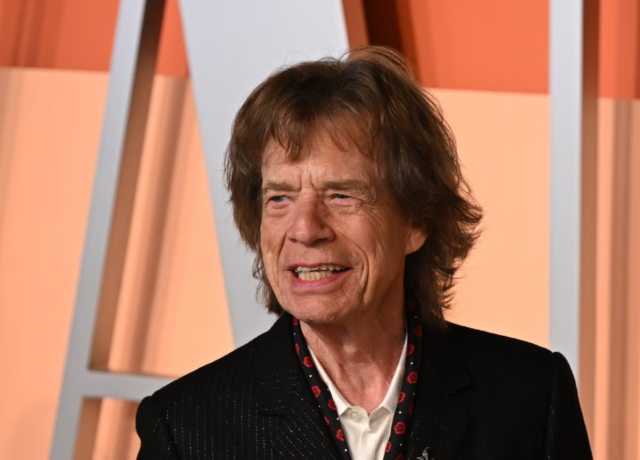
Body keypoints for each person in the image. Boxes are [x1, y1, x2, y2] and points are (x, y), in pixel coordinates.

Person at [136, 47, 592, 460]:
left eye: (342, 195)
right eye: (280, 198)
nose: (305, 229)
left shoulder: (531, 398)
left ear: (416, 221)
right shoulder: (185, 428)